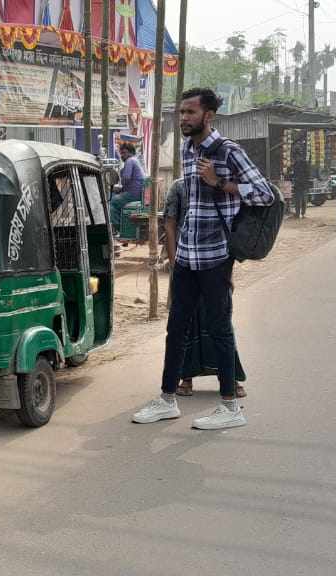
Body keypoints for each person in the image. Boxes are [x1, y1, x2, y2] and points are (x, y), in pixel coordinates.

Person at [133, 87, 274, 430]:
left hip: (216, 255)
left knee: (219, 328)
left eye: (190, 113)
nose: (183, 118)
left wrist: (222, 184)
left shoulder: (229, 151)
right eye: (181, 112)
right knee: (175, 328)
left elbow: (265, 193)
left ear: (208, 116)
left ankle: (230, 407)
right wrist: (175, 253)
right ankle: (168, 399)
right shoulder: (187, 147)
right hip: (187, 256)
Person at [162, 178, 248, 399]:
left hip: (216, 265)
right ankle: (185, 379)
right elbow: (170, 226)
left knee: (220, 325)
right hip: (187, 266)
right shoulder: (179, 187)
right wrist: (175, 267)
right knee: (184, 326)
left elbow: (230, 232)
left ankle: (230, 380)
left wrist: (229, 273)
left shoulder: (222, 187)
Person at [110, 142, 146, 240]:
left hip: (133, 193)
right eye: (121, 153)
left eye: (124, 153)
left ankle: (120, 230)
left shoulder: (130, 161)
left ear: (130, 153)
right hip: (137, 193)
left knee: (112, 202)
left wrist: (119, 189)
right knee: (116, 199)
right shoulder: (135, 161)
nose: (122, 156)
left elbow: (126, 178)